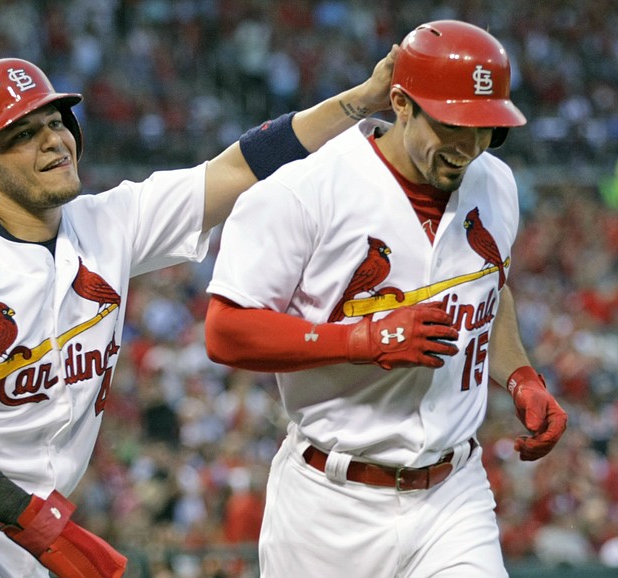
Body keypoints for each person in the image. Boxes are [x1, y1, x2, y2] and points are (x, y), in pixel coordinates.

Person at [0, 47, 398, 577]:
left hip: (20, 534)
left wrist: (360, 101)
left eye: (56, 122)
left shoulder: (107, 224)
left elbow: (238, 167)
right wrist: (39, 525)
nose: (54, 141)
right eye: (24, 134)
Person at [204, 20, 568, 578]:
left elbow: (488, 288)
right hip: (329, 505)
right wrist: (361, 339)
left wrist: (522, 378)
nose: (468, 147)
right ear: (400, 102)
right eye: (452, 125)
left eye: (486, 129)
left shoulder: (495, 182)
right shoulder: (306, 188)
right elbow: (225, 330)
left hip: (454, 494)